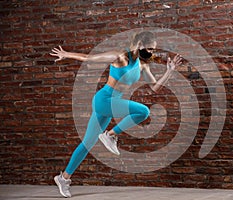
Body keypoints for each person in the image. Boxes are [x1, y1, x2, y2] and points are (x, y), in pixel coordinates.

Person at [50, 31, 182, 198]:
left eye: (153, 50)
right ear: (140, 45)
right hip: (104, 100)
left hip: (111, 104)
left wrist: (170, 71)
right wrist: (65, 54)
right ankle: (110, 135)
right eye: (149, 48)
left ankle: (63, 178)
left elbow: (155, 87)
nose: (151, 53)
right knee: (143, 111)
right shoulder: (119, 56)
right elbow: (89, 58)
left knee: (87, 144)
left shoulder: (142, 64)